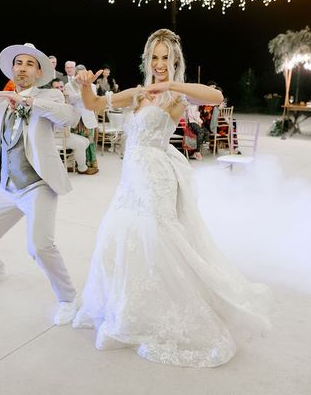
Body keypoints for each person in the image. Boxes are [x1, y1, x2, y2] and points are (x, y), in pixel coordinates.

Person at [72, 28, 272, 367]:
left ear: (174, 61)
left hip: (156, 176)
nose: (160, 64)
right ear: (147, 59)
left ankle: (171, 311)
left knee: (158, 239)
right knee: (122, 235)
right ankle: (130, 310)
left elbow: (216, 97)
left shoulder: (176, 97)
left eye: (166, 58)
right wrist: (84, 84)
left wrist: (171, 85)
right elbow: (92, 104)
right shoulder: (136, 94)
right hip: (130, 178)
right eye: (155, 57)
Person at [0, 42, 79, 326]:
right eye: (18, 63)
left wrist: (29, 102)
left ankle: (69, 299)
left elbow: (68, 117)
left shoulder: (49, 96)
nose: (22, 68)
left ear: (38, 72)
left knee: (39, 246)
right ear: (12, 69)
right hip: (7, 187)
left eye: (29, 64)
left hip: (38, 185)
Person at [51, 79, 92, 174]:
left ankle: (69, 163)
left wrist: (69, 103)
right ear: (51, 89)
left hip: (66, 134)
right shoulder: (52, 104)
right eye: (56, 87)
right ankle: (82, 168)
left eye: (61, 87)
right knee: (81, 144)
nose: (60, 90)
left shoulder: (65, 102)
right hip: (55, 136)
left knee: (86, 141)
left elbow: (73, 124)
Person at [65, 64, 99, 173]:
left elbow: (93, 99)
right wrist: (83, 91)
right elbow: (70, 99)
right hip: (76, 118)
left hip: (88, 116)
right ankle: (77, 164)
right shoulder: (69, 85)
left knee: (90, 141)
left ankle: (91, 164)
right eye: (80, 74)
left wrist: (85, 89)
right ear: (76, 75)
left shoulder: (92, 86)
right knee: (77, 143)